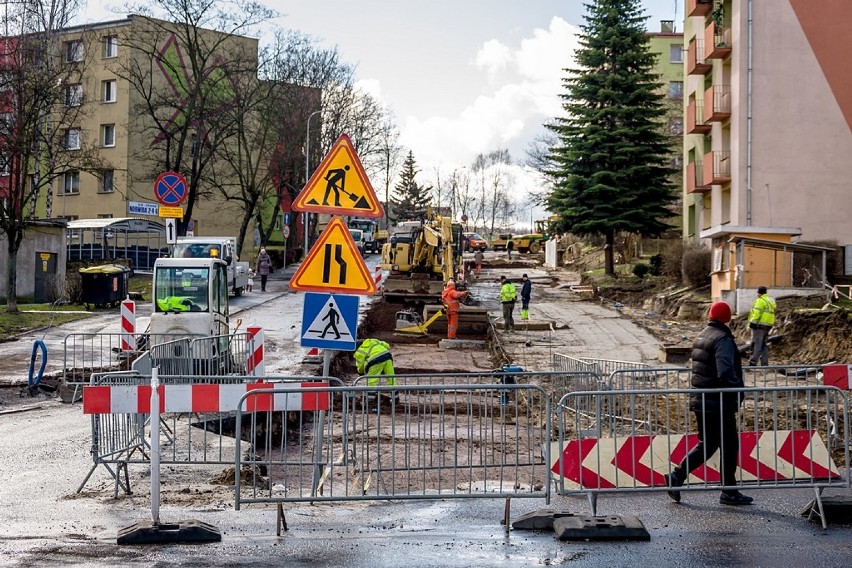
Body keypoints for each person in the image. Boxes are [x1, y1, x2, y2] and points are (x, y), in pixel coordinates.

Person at [666, 301, 753, 507]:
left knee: (709, 444)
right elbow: (724, 371)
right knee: (729, 445)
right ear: (727, 318)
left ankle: (677, 476)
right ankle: (729, 492)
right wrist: (736, 389)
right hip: (719, 401)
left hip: (702, 400)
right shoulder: (722, 338)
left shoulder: (703, 335)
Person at [353, 338, 398, 409]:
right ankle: (395, 399)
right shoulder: (372, 341)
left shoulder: (359, 351)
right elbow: (387, 345)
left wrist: (360, 372)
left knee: (372, 380)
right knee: (391, 378)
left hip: (375, 360)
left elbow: (360, 365)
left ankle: (369, 401)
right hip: (387, 356)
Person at [748, 286, 776, 366]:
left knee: (757, 344)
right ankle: (764, 363)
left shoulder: (760, 301)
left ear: (759, 292)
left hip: (759, 326)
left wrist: (752, 323)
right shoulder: (770, 300)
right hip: (768, 325)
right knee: (764, 345)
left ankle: (753, 362)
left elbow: (757, 313)